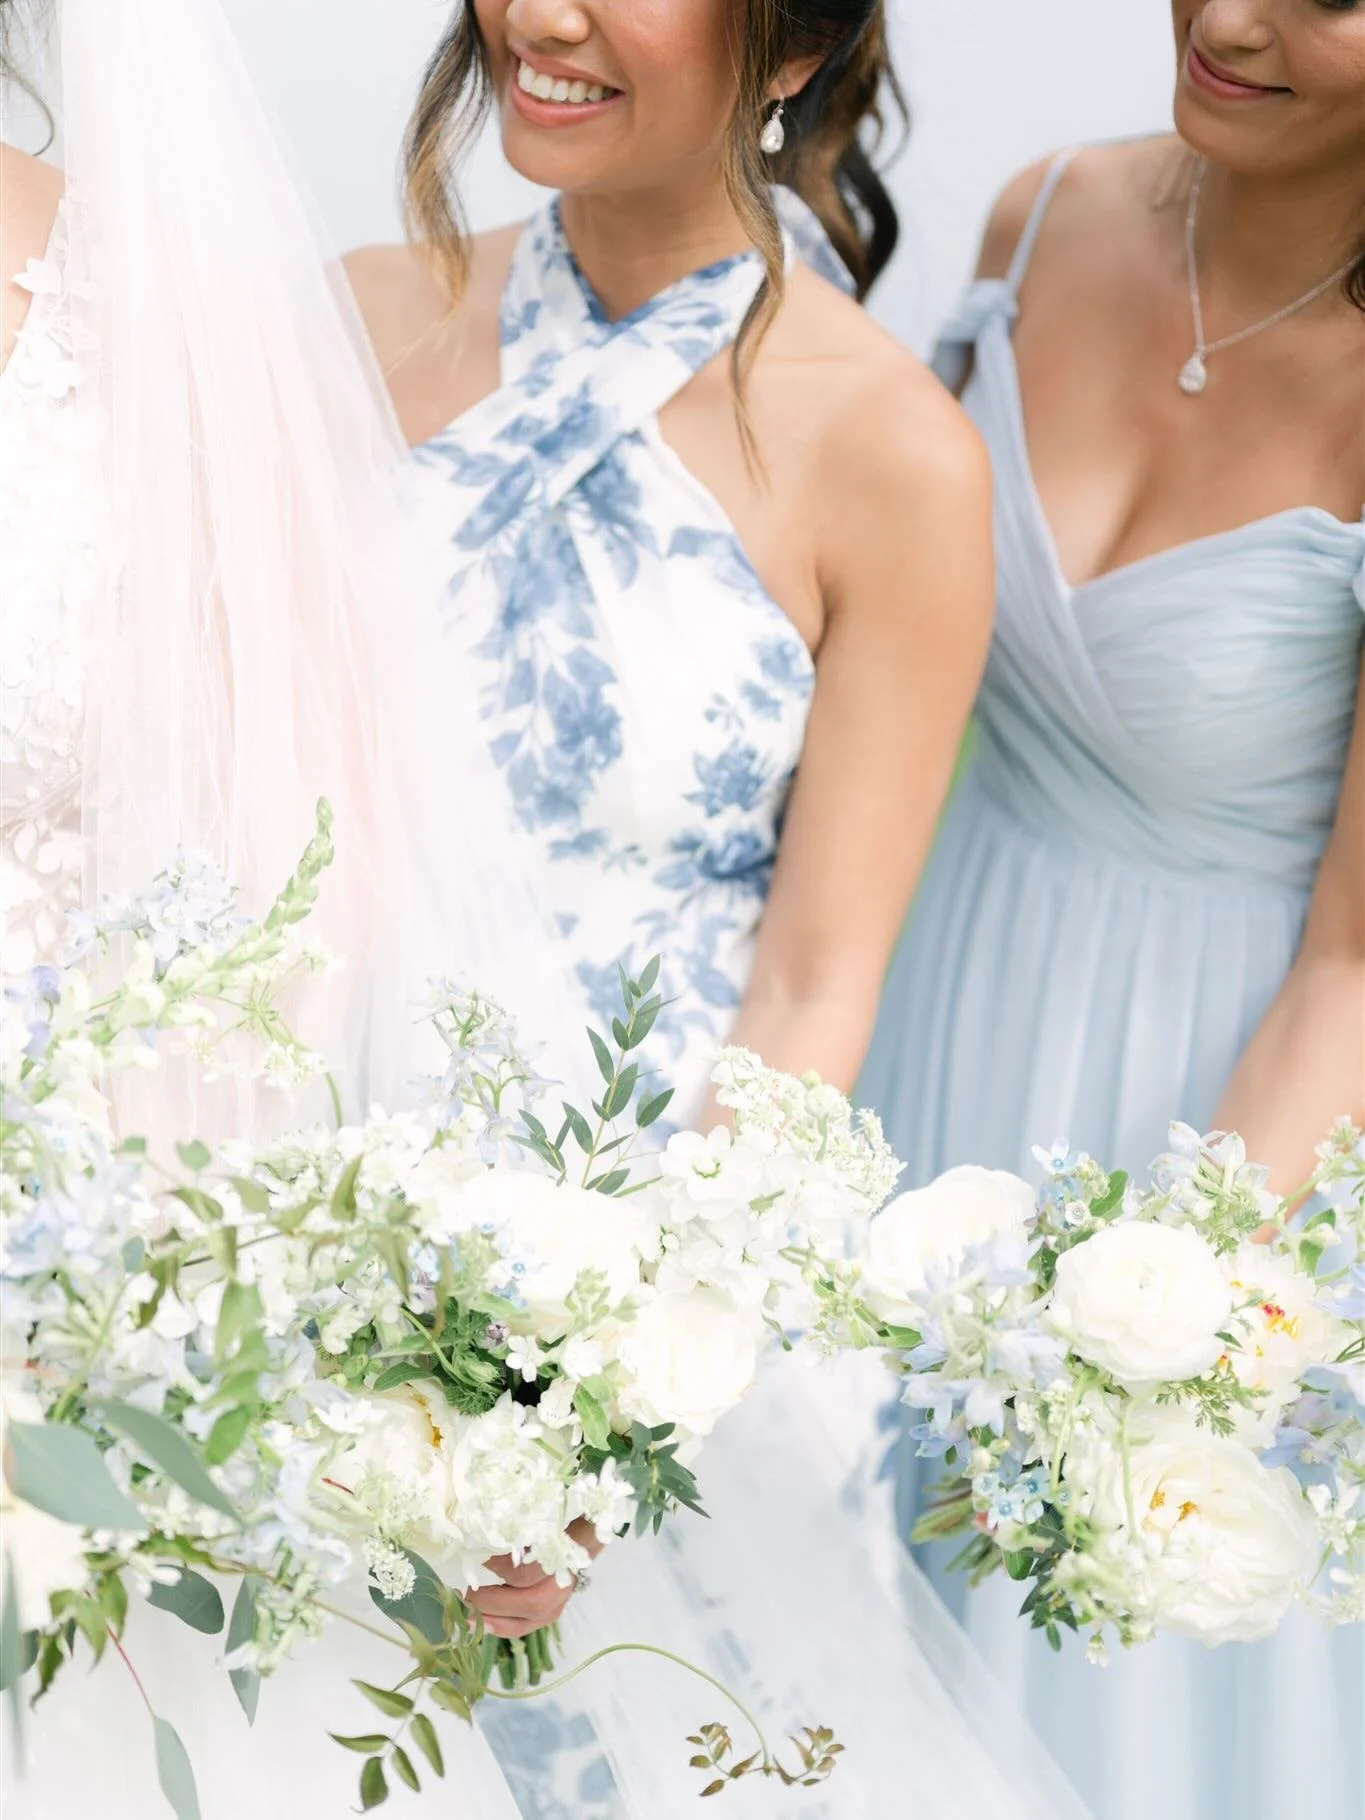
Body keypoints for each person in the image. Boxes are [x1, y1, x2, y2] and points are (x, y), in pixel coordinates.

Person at [339, 5, 1101, 1816]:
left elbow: (816, 986)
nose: (546, 17)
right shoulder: (347, 322)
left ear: (795, 47)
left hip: (643, 1286)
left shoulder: (892, 453)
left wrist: (594, 1431)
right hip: (294, 1244)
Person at [859, 5, 1365, 1819]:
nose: (1229, 20)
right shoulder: (1042, 211)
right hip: (921, 1037)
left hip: (1232, 1119)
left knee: (1080, 1687)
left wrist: (1143, 1334)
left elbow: (1356, 962)